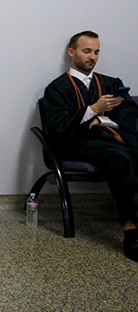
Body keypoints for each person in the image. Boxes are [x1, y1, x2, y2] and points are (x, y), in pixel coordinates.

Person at [43, 31, 138, 260]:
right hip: (77, 143)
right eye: (87, 51)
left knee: (123, 153)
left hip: (112, 138)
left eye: (96, 52)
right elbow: (58, 128)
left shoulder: (110, 83)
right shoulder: (57, 89)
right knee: (121, 158)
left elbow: (128, 111)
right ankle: (131, 231)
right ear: (71, 52)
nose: (92, 57)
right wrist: (94, 109)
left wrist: (100, 120)